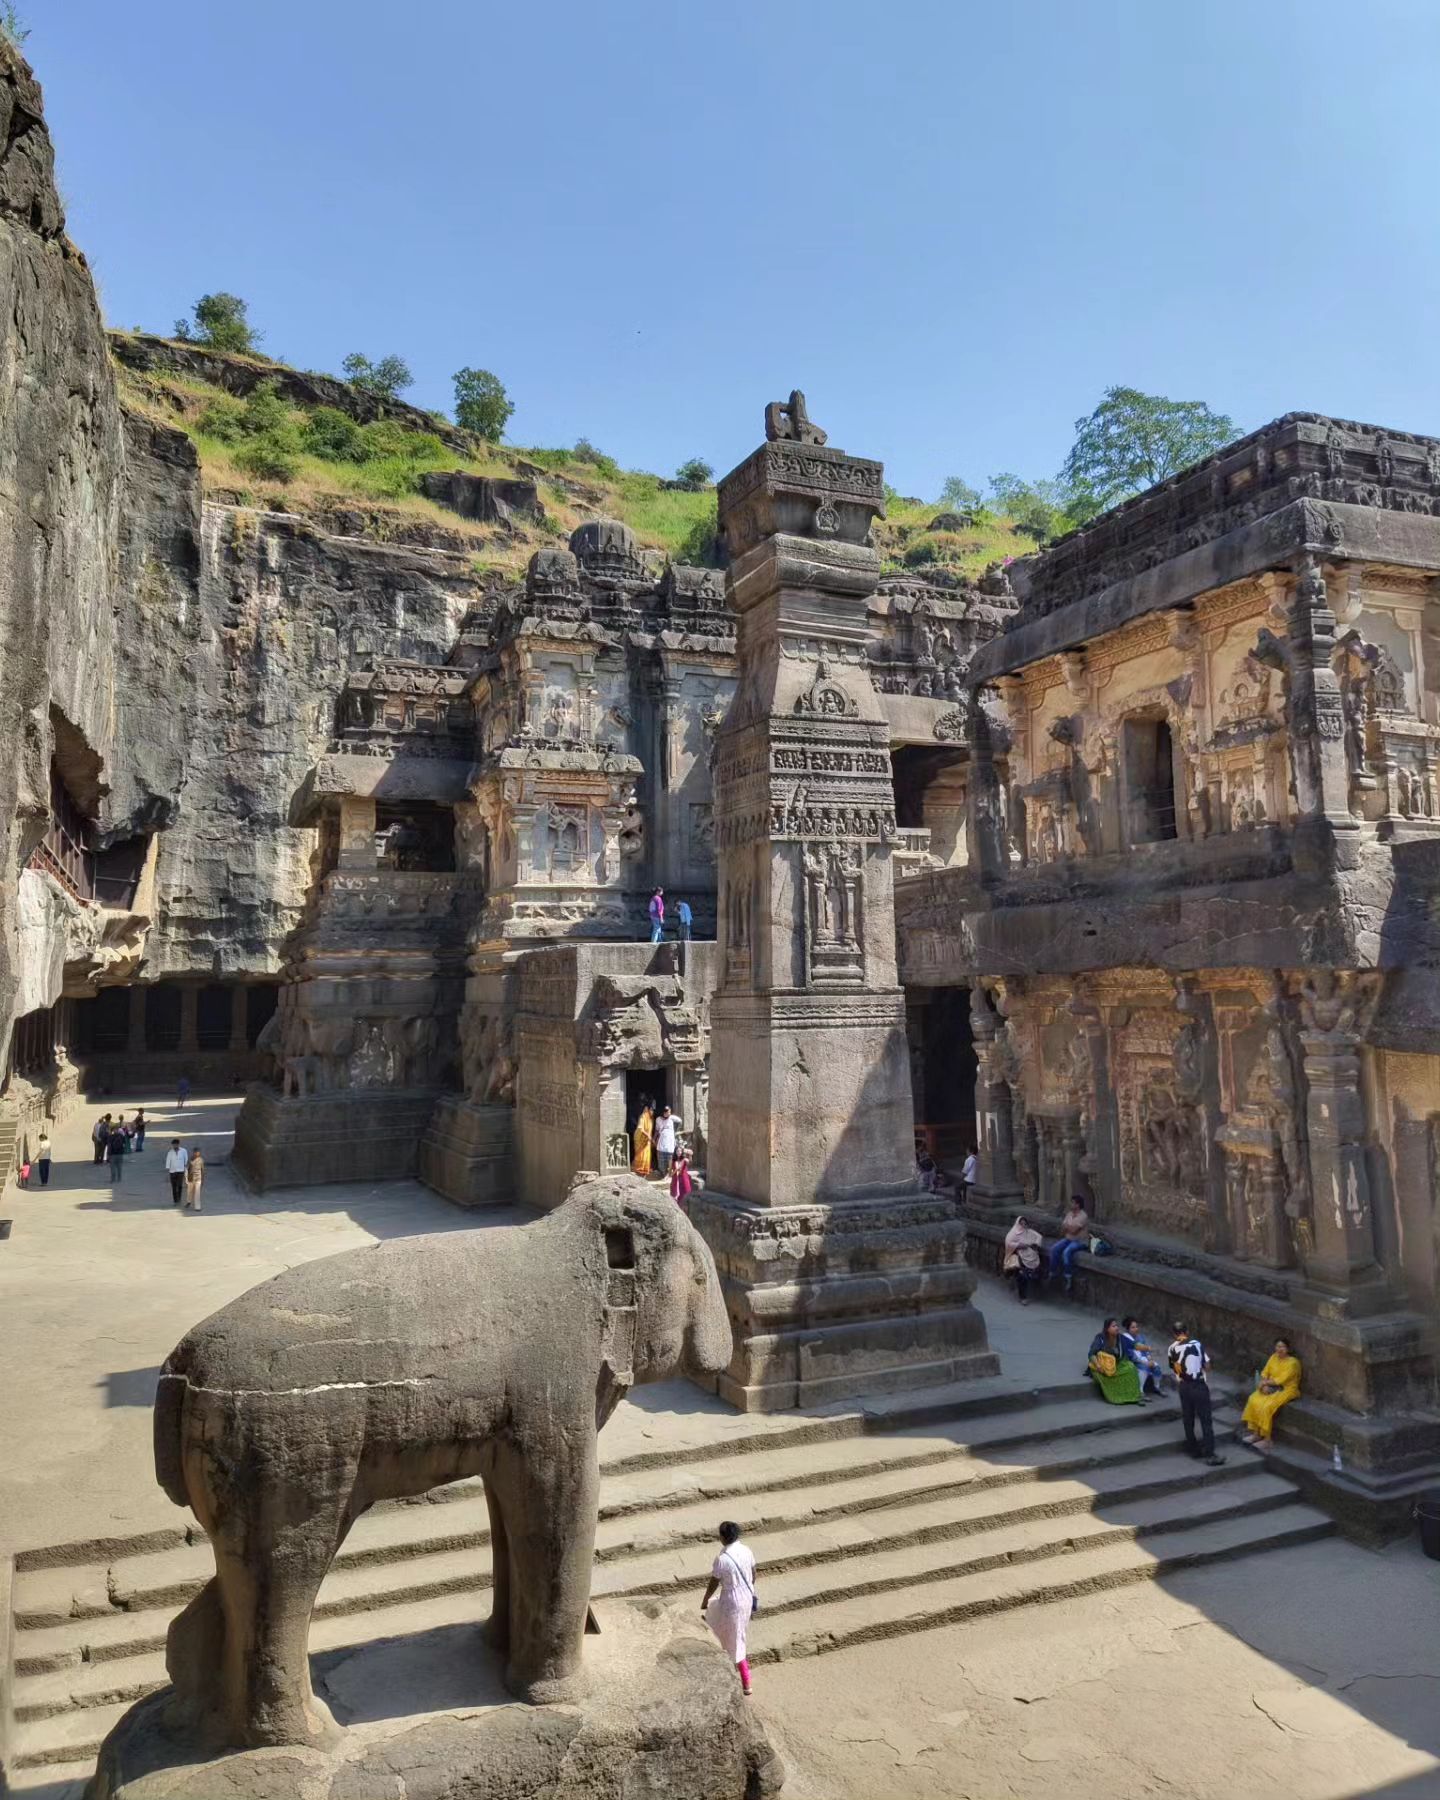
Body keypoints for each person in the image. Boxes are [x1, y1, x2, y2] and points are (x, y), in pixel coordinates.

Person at [700, 1520, 758, 1697]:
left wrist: (705, 1598)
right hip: (746, 1596)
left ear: (723, 1537)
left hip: (732, 1600)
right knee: (730, 1630)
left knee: (735, 1638)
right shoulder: (746, 1550)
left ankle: (746, 1682)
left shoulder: (723, 1559)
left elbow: (713, 1582)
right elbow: (754, 1572)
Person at [1168, 1321, 1225, 1466]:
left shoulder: (1171, 1349)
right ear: (1187, 1331)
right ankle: (1210, 1454)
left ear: (1174, 1334)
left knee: (1188, 1418)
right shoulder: (1197, 1344)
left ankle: (1193, 1449)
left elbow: (1175, 1369)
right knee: (1206, 1420)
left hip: (1184, 1386)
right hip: (1198, 1386)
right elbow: (1207, 1366)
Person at [1240, 1337, 1302, 1447]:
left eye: (1282, 1347)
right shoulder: (1273, 1357)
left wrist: (1264, 1383)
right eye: (1278, 1346)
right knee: (1253, 1399)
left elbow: (1282, 1380)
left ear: (1288, 1349)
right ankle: (1256, 1434)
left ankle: (1267, 1439)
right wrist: (1264, 1383)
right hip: (1269, 1386)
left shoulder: (1293, 1363)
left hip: (1286, 1389)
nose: (1280, 1349)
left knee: (1266, 1406)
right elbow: (1265, 1372)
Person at [1088, 1317, 1144, 1404]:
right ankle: (1116, 1397)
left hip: (1116, 1364)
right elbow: (1091, 1354)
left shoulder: (1120, 1337)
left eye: (1117, 1326)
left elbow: (1134, 1345)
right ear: (1107, 1329)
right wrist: (1098, 1365)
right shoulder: (1100, 1338)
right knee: (1105, 1376)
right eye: (1113, 1326)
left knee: (1131, 1368)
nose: (1117, 1328)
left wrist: (1148, 1348)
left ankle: (1132, 1396)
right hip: (1102, 1366)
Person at [1048, 1196, 1089, 1290]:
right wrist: (1068, 1228)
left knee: (1066, 1252)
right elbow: (1062, 1230)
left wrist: (1067, 1227)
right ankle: (1053, 1273)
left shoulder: (1083, 1216)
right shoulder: (1069, 1214)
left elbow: (1074, 1230)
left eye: (1072, 1202)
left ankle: (1068, 1277)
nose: (1070, 1204)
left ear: (1078, 1205)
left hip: (1080, 1241)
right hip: (1068, 1238)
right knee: (1054, 1249)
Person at [1120, 1317, 1167, 1395]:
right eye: (1133, 1327)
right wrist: (1145, 1363)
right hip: (1132, 1360)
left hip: (1143, 1359)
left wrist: (1150, 1359)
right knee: (1144, 1368)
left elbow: (1145, 1350)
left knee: (1156, 1368)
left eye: (1136, 1327)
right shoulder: (1125, 1338)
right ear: (1128, 1329)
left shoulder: (1140, 1337)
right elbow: (1131, 1355)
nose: (1136, 1329)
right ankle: (1140, 1391)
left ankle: (1156, 1387)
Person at [1003, 1214, 1043, 1305]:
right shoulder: (1013, 1234)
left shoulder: (1030, 1232)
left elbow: (1039, 1237)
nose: (1023, 1226)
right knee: (1022, 1276)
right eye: (1021, 1224)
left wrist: (1035, 1244)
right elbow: (1009, 1243)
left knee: (1035, 1273)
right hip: (1019, 1256)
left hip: (1031, 1257)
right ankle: (1023, 1297)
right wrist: (1019, 1245)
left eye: (1025, 1224)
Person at [631, 1102, 655, 1177]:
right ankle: (638, 1168)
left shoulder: (651, 1119)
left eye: (653, 1110)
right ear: (647, 1109)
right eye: (651, 1110)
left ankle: (645, 1168)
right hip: (640, 1138)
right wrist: (648, 1135)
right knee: (640, 1153)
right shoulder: (643, 1116)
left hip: (646, 1140)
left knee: (647, 1153)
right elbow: (640, 1128)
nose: (652, 1112)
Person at [655, 1105, 678, 1176]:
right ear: (663, 1112)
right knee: (661, 1157)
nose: (669, 1114)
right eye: (668, 1112)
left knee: (670, 1157)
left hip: (670, 1140)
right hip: (662, 1140)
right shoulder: (658, 1119)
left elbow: (680, 1121)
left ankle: (669, 1173)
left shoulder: (672, 1118)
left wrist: (676, 1131)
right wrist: (654, 1138)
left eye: (670, 1112)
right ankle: (662, 1172)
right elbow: (656, 1129)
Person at [164, 1138, 188, 1205]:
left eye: (175, 1145)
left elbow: (185, 1160)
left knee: (180, 1185)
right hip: (172, 1171)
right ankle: (175, 1200)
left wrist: (185, 1170)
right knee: (173, 1186)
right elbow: (168, 1162)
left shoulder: (183, 1151)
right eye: (173, 1145)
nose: (174, 1146)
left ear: (178, 1144)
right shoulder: (170, 1152)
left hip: (181, 1171)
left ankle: (179, 1198)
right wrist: (167, 1174)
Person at [184, 1147, 205, 1212]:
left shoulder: (201, 1160)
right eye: (195, 1152)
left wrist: (203, 1180)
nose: (197, 1153)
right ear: (193, 1153)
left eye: (198, 1152)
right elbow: (186, 1169)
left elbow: (202, 1170)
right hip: (191, 1178)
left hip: (198, 1178)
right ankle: (189, 1201)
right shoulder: (190, 1160)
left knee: (197, 1193)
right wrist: (186, 1178)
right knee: (189, 1191)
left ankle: (197, 1207)